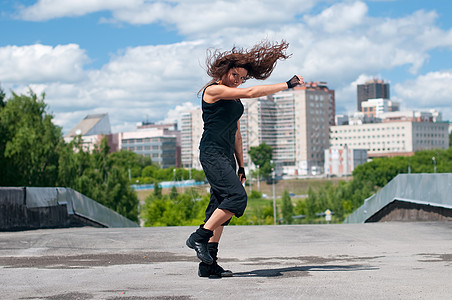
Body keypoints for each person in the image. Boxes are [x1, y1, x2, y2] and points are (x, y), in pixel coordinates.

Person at [186, 40, 303, 278]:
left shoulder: (234, 100)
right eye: (235, 75)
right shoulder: (213, 90)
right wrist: (287, 85)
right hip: (211, 152)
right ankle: (198, 237)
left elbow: (237, 133)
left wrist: (241, 165)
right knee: (236, 198)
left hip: (226, 155)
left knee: (218, 208)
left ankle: (209, 264)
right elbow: (250, 92)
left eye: (241, 78)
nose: (237, 81)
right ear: (224, 71)